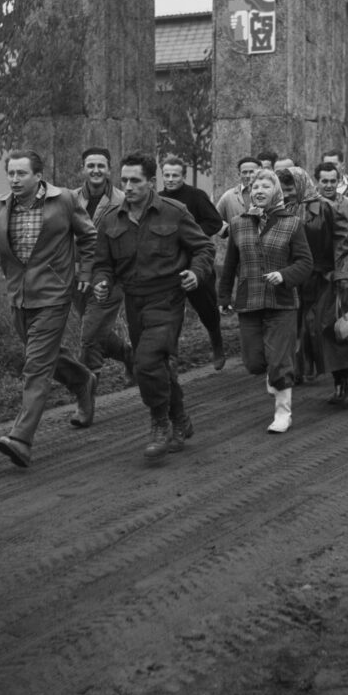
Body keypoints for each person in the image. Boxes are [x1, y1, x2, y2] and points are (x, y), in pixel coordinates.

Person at [0, 150, 97, 469]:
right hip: (19, 298)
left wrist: (86, 272)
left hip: (54, 295)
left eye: (21, 174)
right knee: (47, 355)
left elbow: (89, 236)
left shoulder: (63, 200)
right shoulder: (0, 204)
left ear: (39, 176)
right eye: (10, 173)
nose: (14, 179)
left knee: (36, 366)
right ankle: (82, 381)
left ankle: (21, 438)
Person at [91, 153, 216, 463]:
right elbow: (102, 264)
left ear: (151, 182)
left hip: (167, 299)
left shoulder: (174, 212)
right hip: (134, 302)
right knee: (157, 365)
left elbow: (204, 248)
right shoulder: (110, 219)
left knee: (146, 363)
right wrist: (102, 281)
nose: (129, 187)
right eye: (124, 181)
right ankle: (181, 418)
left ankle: (159, 424)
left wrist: (195, 272)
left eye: (135, 181)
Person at [218, 169, 313, 433]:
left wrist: (284, 275)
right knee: (254, 363)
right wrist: (224, 295)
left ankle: (283, 413)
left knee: (280, 360)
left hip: (281, 301)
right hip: (249, 300)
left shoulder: (292, 223)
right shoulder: (238, 223)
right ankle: (273, 375)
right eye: (255, 186)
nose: (259, 191)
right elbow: (230, 265)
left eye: (265, 187)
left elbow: (305, 263)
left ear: (276, 193)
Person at [69, 147, 135, 412]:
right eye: (90, 165)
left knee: (88, 337)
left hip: (110, 279)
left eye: (101, 166)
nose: (95, 170)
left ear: (110, 169)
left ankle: (86, 397)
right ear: (83, 169)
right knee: (95, 330)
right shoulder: (70, 198)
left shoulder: (122, 201)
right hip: (76, 278)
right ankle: (129, 354)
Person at [278, 166, 348, 385]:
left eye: (290, 188)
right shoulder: (282, 210)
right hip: (294, 281)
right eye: (282, 189)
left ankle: (346, 381)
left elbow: (344, 242)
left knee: (328, 331)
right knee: (297, 330)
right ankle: (301, 370)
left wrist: (343, 274)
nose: (286, 193)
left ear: (301, 184)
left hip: (325, 279)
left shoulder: (325, 208)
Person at [159, 154, 227, 369]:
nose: (170, 179)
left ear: (184, 176)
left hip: (198, 260)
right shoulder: (158, 198)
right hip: (170, 264)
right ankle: (172, 356)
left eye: (175, 175)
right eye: (167, 175)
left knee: (206, 308)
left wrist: (192, 234)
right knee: (171, 312)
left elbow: (215, 222)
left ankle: (217, 343)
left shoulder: (196, 196)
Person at [314, 161, 348, 405]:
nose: (328, 185)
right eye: (324, 181)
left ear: (339, 180)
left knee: (345, 328)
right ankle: (338, 383)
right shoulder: (312, 206)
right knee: (324, 329)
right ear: (317, 181)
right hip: (321, 276)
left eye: (332, 181)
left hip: (344, 275)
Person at [216, 156, 260, 234]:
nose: (248, 176)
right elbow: (215, 219)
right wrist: (229, 229)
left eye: (251, 172)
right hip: (237, 244)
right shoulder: (229, 196)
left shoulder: (268, 194)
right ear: (239, 174)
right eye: (244, 172)